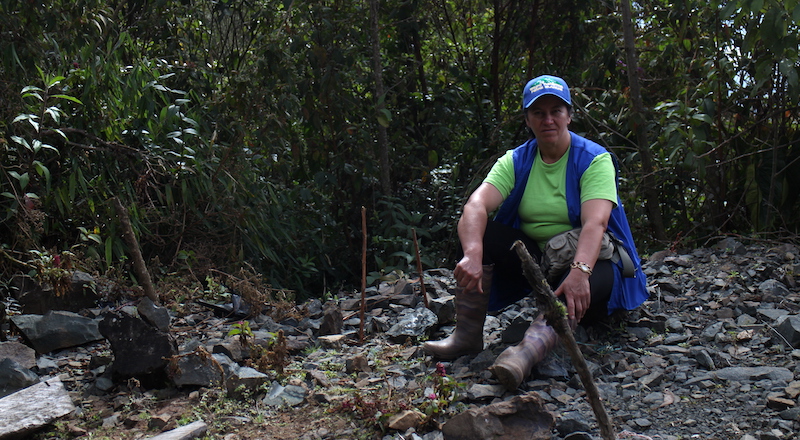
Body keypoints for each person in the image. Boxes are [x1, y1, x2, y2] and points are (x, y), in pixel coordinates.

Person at [423, 75, 649, 390]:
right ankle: (467, 336)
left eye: (556, 110)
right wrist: (473, 255)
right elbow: (475, 206)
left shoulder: (594, 160)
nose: (548, 119)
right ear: (527, 119)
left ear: (570, 115)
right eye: (538, 113)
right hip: (540, 262)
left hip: (589, 263)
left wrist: (580, 272)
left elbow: (596, 224)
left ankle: (526, 353)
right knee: (480, 234)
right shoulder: (517, 160)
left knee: (588, 275)